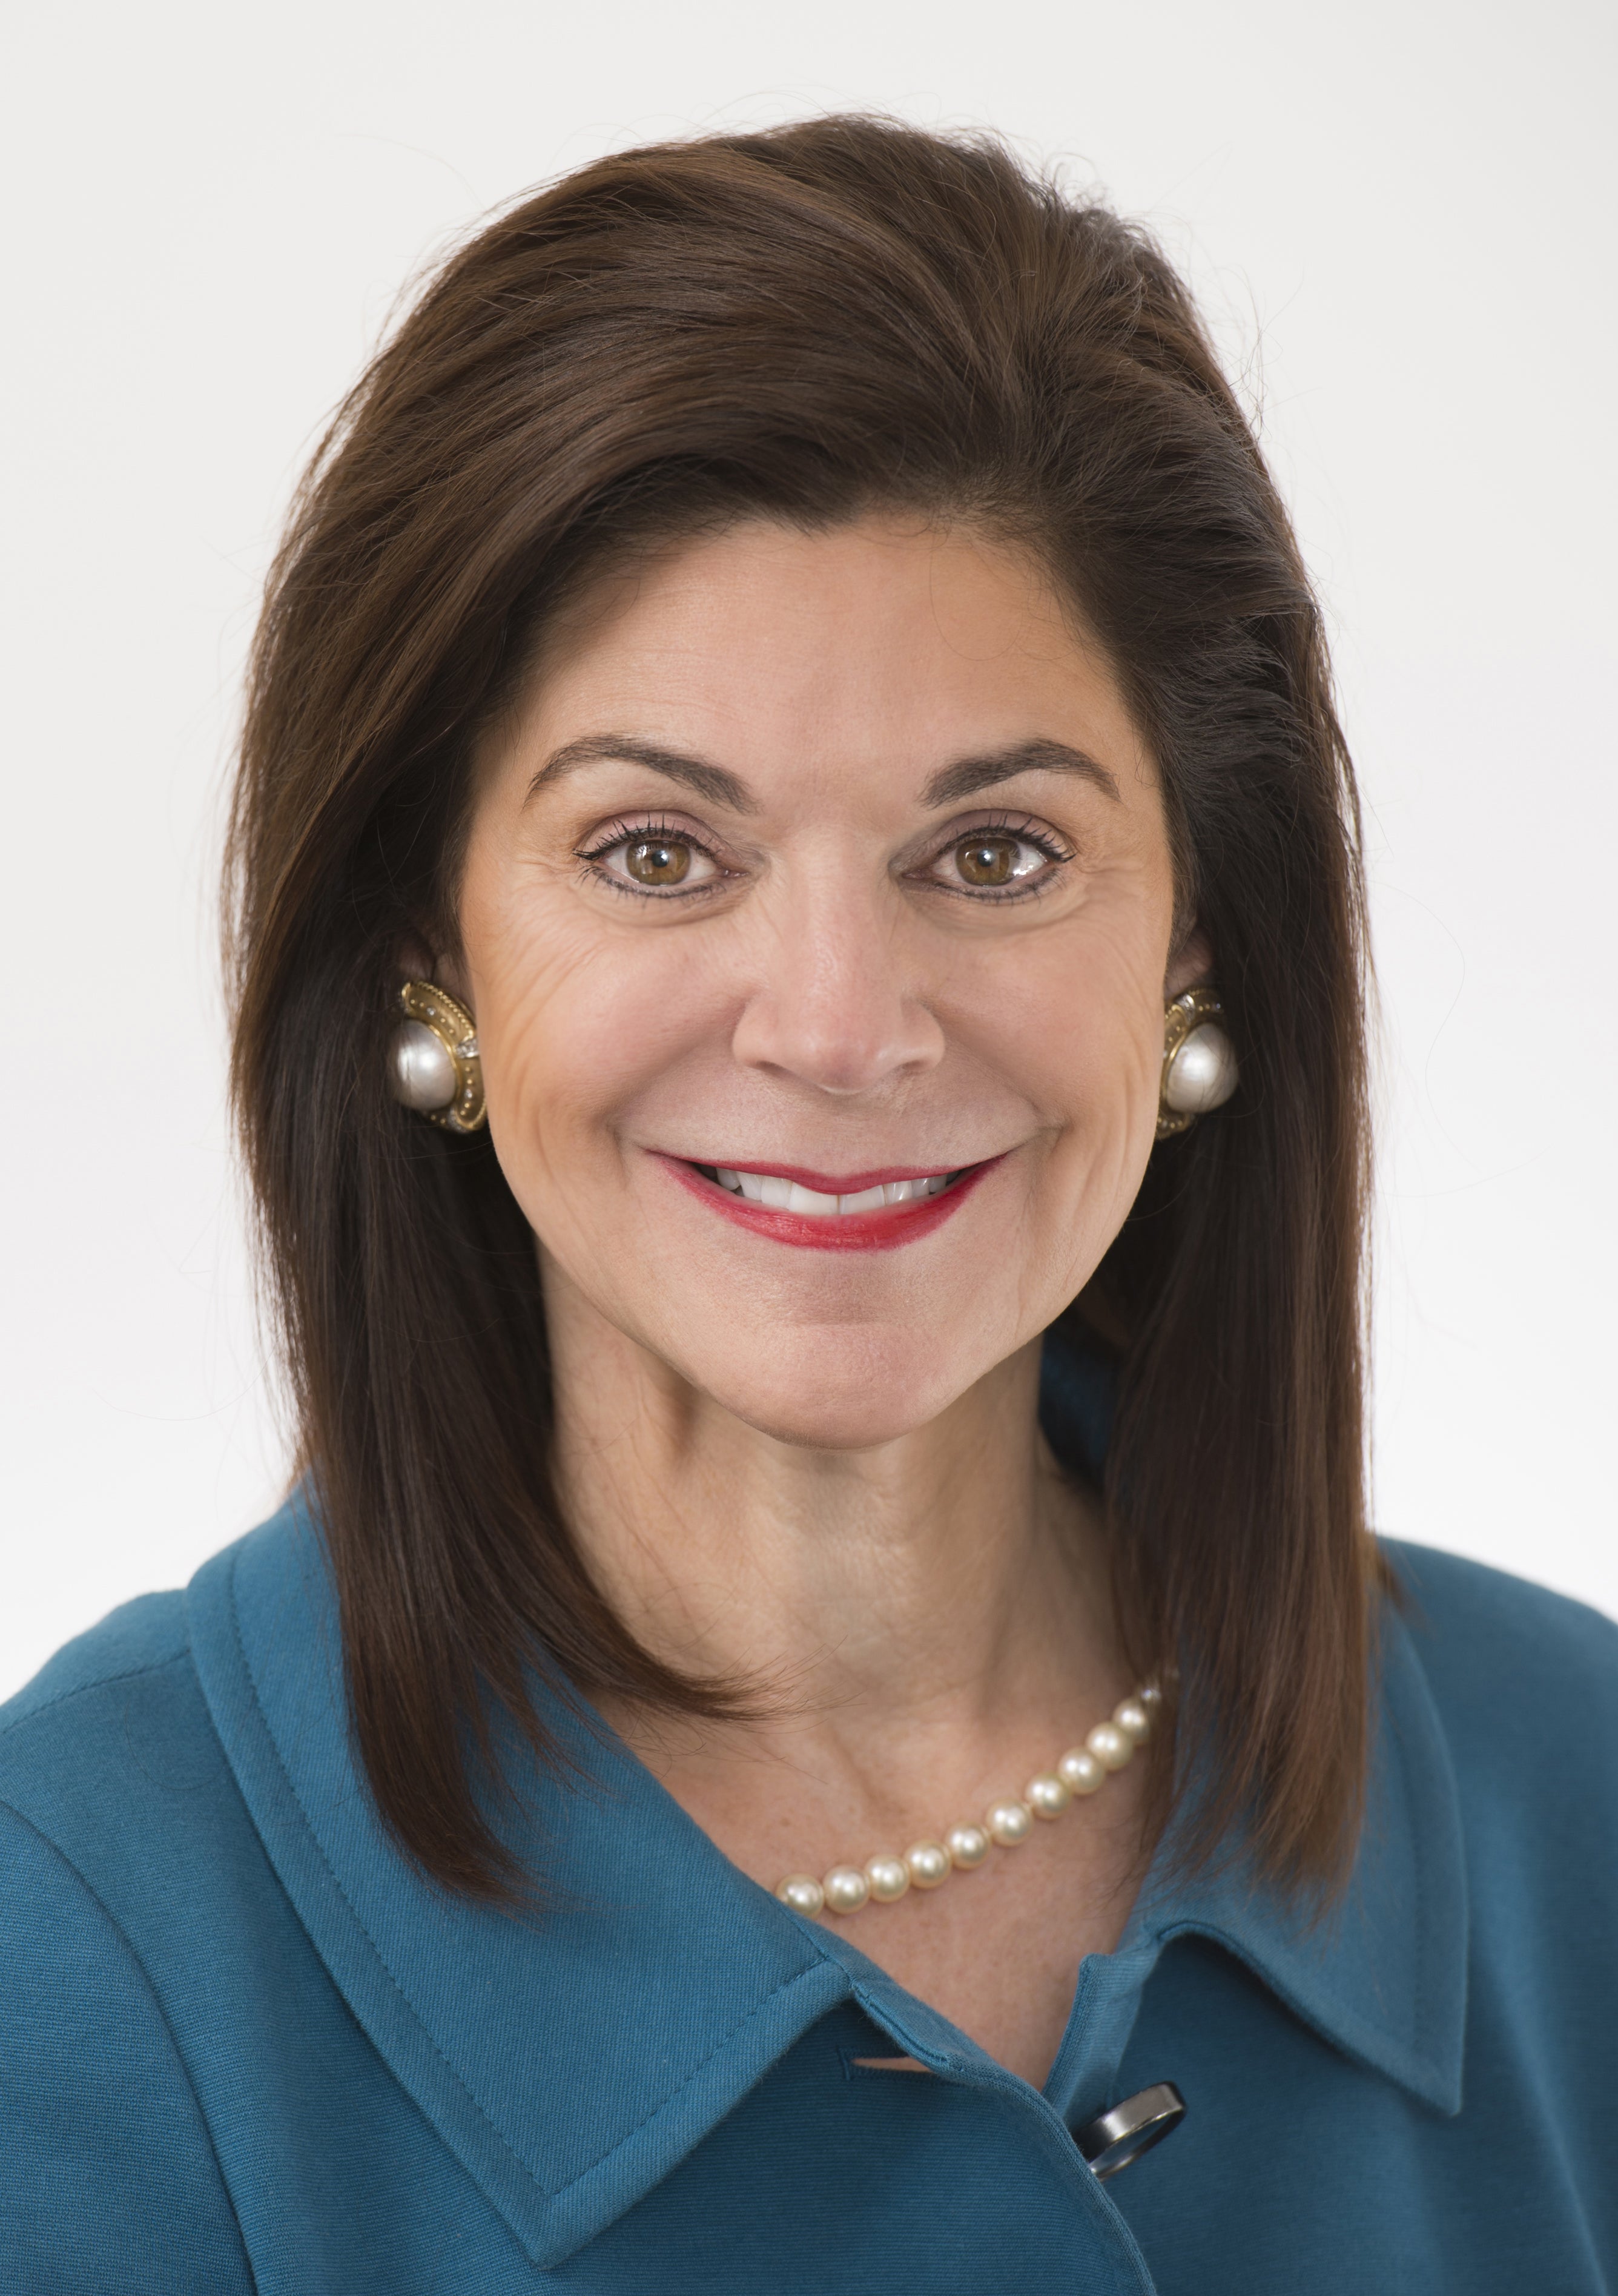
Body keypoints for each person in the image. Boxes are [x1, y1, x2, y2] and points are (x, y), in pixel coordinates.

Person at [2, 115, 1613, 2295]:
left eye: (999, 855)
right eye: (659, 851)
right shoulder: (78, 1935)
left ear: (1200, 950)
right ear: (429, 948)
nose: (843, 1031)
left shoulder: (1576, 1785)